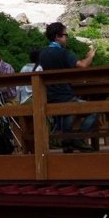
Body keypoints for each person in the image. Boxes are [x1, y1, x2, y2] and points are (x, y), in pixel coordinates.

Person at [38, 21, 97, 149]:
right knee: (94, 111)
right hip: (65, 96)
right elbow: (82, 66)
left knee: (69, 113)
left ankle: (67, 142)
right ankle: (78, 139)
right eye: (65, 35)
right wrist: (90, 56)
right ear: (57, 37)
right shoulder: (63, 53)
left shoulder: (42, 54)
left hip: (50, 96)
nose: (66, 38)